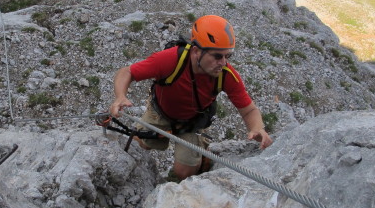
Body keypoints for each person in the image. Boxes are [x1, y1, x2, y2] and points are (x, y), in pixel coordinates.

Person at [109, 15, 273, 180]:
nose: (223, 62)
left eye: (227, 56)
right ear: (196, 51)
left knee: (184, 172)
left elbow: (249, 109)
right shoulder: (170, 59)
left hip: (193, 122)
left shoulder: (226, 75)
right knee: (141, 143)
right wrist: (120, 96)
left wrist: (257, 127)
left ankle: (201, 162)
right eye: (217, 56)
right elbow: (127, 72)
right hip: (160, 112)